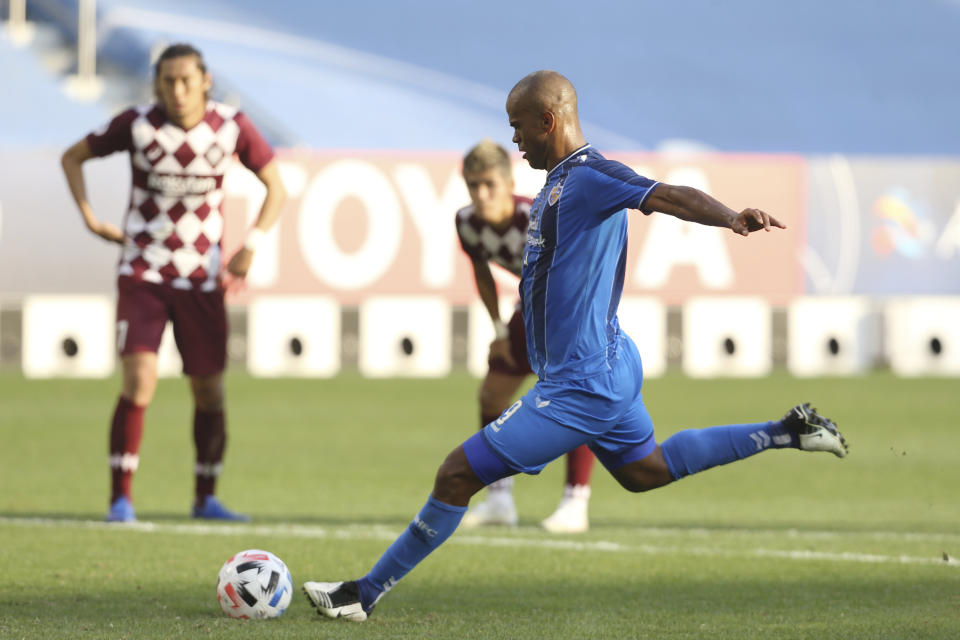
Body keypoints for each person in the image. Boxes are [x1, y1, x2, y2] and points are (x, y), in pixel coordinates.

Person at [302, 70, 848, 622]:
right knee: (645, 471)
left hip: (581, 383)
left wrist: (731, 217)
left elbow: (665, 195)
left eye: (518, 127)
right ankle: (787, 432)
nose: (514, 141)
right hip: (605, 365)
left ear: (548, 120)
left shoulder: (590, 175)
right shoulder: (557, 183)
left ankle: (362, 594)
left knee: (455, 475)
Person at [61, 43, 286, 523]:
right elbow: (73, 157)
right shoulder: (137, 125)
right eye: (167, 81)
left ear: (205, 80)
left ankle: (206, 497)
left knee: (209, 391)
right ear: (156, 84)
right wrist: (89, 219)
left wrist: (253, 244)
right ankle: (120, 498)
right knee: (140, 379)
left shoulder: (230, 128)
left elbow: (277, 185)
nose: (177, 91)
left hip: (201, 279)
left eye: (186, 80)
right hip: (143, 271)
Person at [456, 139, 595, 533]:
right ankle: (500, 499)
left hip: (572, 310)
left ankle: (575, 501)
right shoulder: (466, 222)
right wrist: (499, 328)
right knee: (492, 395)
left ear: (508, 181)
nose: (481, 195)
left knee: (578, 402)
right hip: (531, 308)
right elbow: (481, 270)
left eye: (489, 185)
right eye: (472, 186)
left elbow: (580, 258)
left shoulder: (536, 212)